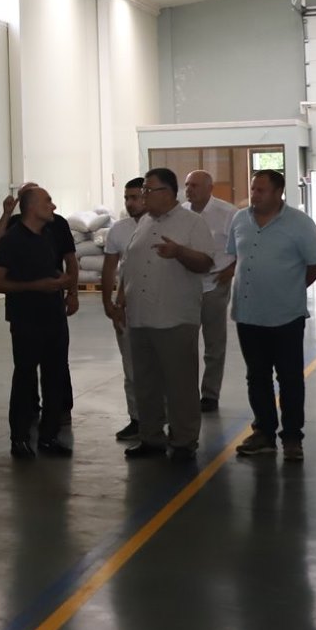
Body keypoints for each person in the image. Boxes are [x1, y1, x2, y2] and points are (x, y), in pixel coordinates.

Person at [116, 168, 218, 462]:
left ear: (169, 192)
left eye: (148, 191)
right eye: (143, 191)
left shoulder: (192, 222)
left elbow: (205, 263)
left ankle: (184, 440)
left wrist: (179, 252)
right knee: (145, 383)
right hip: (140, 317)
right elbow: (129, 264)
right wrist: (121, 299)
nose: (144, 196)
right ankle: (151, 438)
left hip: (174, 317)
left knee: (179, 385)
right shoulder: (144, 222)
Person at [228, 169, 316, 461]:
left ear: (278, 192)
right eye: (253, 188)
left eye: (261, 190)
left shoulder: (299, 223)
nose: (254, 195)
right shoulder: (239, 219)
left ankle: (292, 437)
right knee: (256, 376)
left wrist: (291, 287)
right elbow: (235, 256)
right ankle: (264, 433)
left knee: (290, 377)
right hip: (248, 313)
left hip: (286, 315)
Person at [0, 183, 79, 459]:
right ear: (31, 207)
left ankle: (49, 437)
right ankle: (19, 438)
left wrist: (65, 285)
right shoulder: (13, 239)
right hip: (26, 319)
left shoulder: (50, 233)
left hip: (54, 316)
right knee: (25, 377)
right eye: (48, 201)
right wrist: (36, 286)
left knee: (54, 376)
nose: (53, 206)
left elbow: (63, 264)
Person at [183, 170, 238, 412]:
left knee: (214, 343)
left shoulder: (227, 214)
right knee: (185, 343)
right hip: (187, 285)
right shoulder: (181, 213)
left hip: (215, 283)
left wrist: (231, 270)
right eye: (187, 185)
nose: (189, 189)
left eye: (195, 185)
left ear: (209, 188)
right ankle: (186, 392)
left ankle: (210, 394)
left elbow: (244, 247)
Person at [102, 178, 148, 441]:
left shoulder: (161, 226)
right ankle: (137, 419)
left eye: (135, 197)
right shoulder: (119, 230)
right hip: (126, 307)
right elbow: (110, 268)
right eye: (126, 198)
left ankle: (164, 418)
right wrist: (108, 304)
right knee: (131, 368)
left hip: (157, 307)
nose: (130, 203)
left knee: (160, 368)